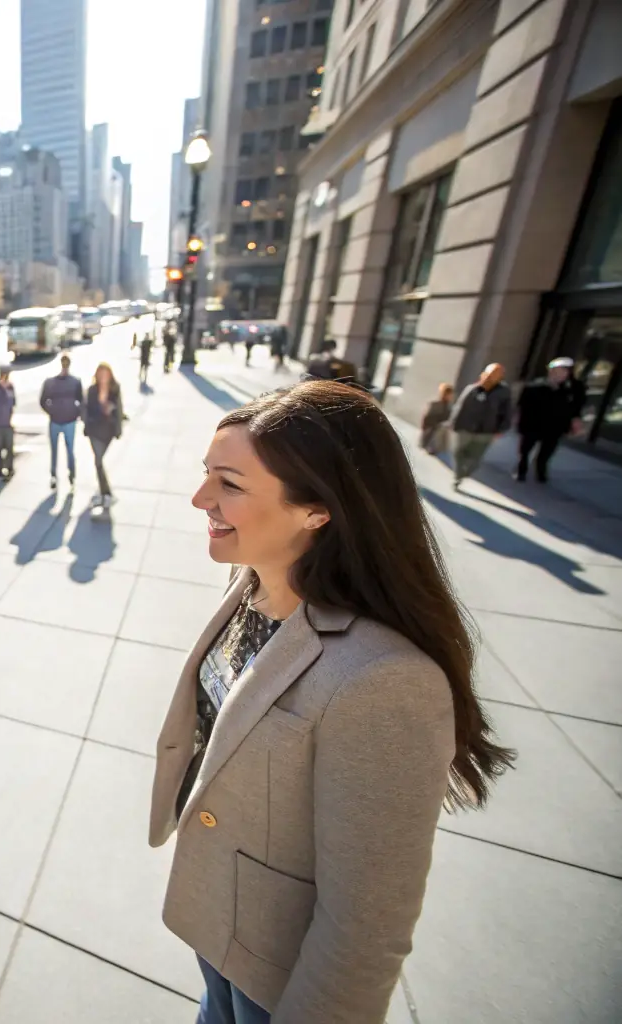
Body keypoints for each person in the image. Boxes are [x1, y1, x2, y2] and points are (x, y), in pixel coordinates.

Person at [150, 379, 514, 1024]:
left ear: (318, 509)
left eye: (230, 484)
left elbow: (366, 926)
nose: (200, 498)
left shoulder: (384, 680)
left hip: (283, 979)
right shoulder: (256, 583)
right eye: (208, 475)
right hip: (216, 926)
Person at [515, 356, 585, 483]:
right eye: (560, 371)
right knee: (525, 450)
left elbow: (576, 408)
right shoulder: (534, 387)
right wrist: (520, 423)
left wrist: (575, 423)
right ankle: (521, 470)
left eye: (566, 371)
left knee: (546, 452)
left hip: (555, 427)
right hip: (533, 424)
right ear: (551, 371)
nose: (563, 374)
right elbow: (522, 406)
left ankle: (541, 472)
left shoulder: (571, 390)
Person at [449, 362, 512, 489]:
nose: (490, 377)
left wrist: (502, 428)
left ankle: (465, 473)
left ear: (500, 378)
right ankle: (458, 475)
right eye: (489, 374)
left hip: (486, 431)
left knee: (475, 458)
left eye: (495, 375)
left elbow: (507, 412)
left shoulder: (503, 393)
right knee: (457, 452)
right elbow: (460, 407)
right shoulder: (472, 389)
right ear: (483, 374)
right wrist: (453, 423)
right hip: (465, 428)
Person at [40, 352, 83, 489]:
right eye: (63, 363)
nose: (65, 366)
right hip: (56, 421)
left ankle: (71, 475)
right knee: (55, 450)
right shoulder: (51, 382)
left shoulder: (75, 382)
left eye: (66, 363)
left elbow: (81, 400)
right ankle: (54, 475)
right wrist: (51, 411)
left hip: (69, 421)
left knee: (69, 450)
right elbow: (43, 400)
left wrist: (76, 413)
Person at [83, 362, 124, 505]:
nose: (103, 377)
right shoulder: (92, 390)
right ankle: (105, 492)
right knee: (98, 461)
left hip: (108, 431)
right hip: (94, 430)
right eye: (100, 374)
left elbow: (119, 409)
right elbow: (86, 409)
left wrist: (118, 429)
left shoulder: (115, 389)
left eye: (105, 374)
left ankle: (103, 491)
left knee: (99, 461)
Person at [419, 382, 455, 454]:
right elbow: (427, 418)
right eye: (449, 394)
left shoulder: (448, 406)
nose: (451, 397)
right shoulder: (435, 404)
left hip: (440, 432)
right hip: (432, 430)